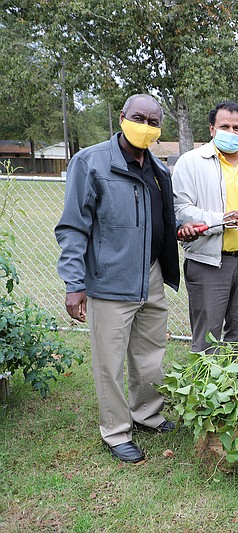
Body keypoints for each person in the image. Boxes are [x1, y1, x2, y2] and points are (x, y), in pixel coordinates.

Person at [55, 94, 182, 463]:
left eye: (153, 121)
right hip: (109, 281)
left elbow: (161, 221)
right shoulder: (92, 163)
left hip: (151, 276)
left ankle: (146, 414)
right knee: (109, 363)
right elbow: (73, 228)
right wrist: (74, 284)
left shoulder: (158, 169)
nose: (145, 125)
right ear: (123, 117)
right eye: (138, 117)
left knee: (150, 355)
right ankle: (115, 431)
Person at [173, 101, 238, 353]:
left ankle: (236, 389)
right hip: (209, 261)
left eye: (237, 128)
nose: (231, 132)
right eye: (224, 126)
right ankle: (204, 390)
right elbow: (180, 208)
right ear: (211, 129)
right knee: (208, 336)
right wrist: (222, 219)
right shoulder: (192, 162)